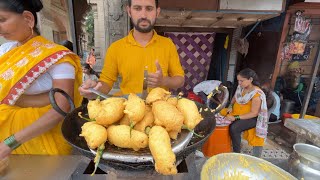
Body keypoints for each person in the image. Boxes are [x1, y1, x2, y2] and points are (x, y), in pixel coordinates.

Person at [0, 0, 83, 161]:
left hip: (40, 141)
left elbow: (62, 106)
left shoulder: (58, 57)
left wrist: (9, 143)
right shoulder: (5, 51)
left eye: (2, 20)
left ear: (28, 19)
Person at [79, 0, 184, 98]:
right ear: (129, 11)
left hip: (159, 110)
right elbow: (106, 82)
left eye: (149, 8)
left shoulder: (167, 44)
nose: (143, 15)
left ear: (157, 12)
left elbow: (180, 79)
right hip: (128, 109)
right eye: (137, 8)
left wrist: (164, 81)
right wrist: (94, 90)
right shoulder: (116, 48)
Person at [226, 68, 268, 157]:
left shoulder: (256, 94)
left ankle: (236, 153)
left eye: (242, 81)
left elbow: (254, 113)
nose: (239, 83)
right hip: (238, 112)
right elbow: (234, 98)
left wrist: (235, 117)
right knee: (221, 114)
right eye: (238, 81)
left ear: (250, 80)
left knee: (234, 127)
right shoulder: (241, 87)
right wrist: (230, 106)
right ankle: (225, 145)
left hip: (252, 118)